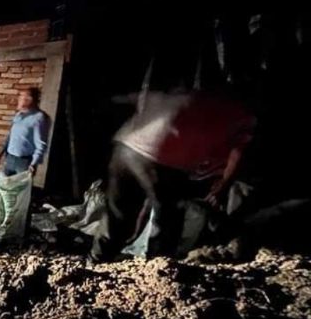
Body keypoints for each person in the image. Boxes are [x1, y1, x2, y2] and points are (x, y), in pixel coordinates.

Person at [90, 89, 255, 262]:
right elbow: (237, 155)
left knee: (119, 213)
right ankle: (160, 267)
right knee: (168, 218)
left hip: (125, 148)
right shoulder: (241, 115)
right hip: (163, 158)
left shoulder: (185, 95)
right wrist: (224, 184)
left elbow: (128, 99)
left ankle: (97, 258)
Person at [0, 87, 50, 176]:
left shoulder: (39, 118)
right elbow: (10, 136)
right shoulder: (19, 115)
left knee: (19, 189)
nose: (19, 100)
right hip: (10, 158)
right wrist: (0, 154)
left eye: (22, 97)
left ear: (30, 99)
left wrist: (33, 164)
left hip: (24, 162)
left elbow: (41, 144)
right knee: (5, 187)